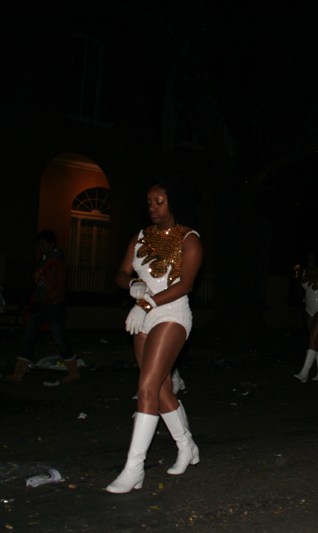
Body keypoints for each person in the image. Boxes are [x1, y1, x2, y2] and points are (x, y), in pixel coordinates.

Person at [106, 174, 203, 494]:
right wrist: (132, 284)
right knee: (160, 391)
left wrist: (145, 304)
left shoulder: (189, 239)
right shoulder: (140, 237)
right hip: (143, 316)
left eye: (159, 202)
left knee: (145, 387)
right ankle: (186, 445)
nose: (153, 208)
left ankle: (134, 469)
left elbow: (185, 285)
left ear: (174, 203)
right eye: (149, 203)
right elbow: (121, 273)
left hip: (171, 315)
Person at [6, 231, 78, 383]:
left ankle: (73, 371)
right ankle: (18, 373)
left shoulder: (59, 263)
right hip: (41, 303)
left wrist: (42, 301)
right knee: (29, 336)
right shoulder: (43, 261)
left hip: (53, 304)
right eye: (39, 245)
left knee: (59, 338)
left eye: (43, 244)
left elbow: (59, 288)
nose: (40, 247)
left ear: (52, 245)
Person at [294, 252, 318, 382]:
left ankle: (305, 372)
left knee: (313, 338)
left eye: (312, 259)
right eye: (308, 259)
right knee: (316, 339)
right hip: (309, 308)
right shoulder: (303, 273)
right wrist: (304, 299)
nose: (310, 261)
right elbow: (298, 289)